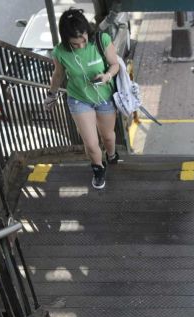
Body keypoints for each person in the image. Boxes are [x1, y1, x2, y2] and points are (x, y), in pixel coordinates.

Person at [43, 8, 120, 189]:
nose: (81, 46)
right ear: (66, 39)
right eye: (75, 44)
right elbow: (58, 75)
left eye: (83, 40)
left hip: (104, 97)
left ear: (87, 32)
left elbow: (115, 64)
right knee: (92, 144)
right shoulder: (60, 52)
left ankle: (111, 154)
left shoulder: (101, 40)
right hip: (79, 100)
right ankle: (98, 169)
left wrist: (107, 76)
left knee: (108, 137)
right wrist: (51, 95)